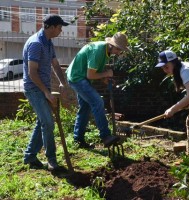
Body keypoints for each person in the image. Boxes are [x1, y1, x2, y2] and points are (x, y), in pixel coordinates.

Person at [66, 32, 129, 148]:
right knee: (97, 102)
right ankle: (105, 136)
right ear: (111, 45)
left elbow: (94, 73)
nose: (119, 52)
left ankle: (78, 139)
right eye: (118, 49)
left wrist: (104, 78)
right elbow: (90, 75)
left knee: (85, 107)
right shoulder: (98, 51)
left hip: (81, 77)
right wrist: (107, 73)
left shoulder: (105, 51)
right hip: (77, 78)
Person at [23, 14, 69, 170]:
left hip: (44, 88)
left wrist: (63, 84)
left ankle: (30, 157)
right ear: (51, 27)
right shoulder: (36, 43)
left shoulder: (48, 43)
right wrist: (46, 92)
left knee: (42, 122)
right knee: (48, 123)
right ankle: (52, 160)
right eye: (59, 27)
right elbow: (32, 73)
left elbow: (55, 65)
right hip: (34, 88)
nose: (61, 31)